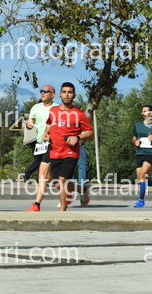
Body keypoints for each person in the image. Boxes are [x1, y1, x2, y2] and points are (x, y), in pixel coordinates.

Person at [40, 82, 93, 211]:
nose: (67, 94)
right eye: (64, 92)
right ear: (60, 94)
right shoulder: (53, 111)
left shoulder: (79, 113)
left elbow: (90, 132)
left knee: (63, 179)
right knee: (58, 184)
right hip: (55, 151)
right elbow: (49, 125)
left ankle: (62, 212)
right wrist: (46, 134)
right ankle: (82, 189)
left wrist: (78, 137)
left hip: (71, 152)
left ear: (74, 95)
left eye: (70, 92)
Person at [22, 85, 58, 182]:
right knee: (40, 163)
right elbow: (30, 122)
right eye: (41, 91)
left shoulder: (57, 107)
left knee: (44, 165)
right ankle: (42, 185)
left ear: (52, 95)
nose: (42, 93)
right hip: (40, 141)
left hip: (53, 142)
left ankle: (30, 176)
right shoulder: (35, 107)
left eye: (45, 91)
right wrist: (28, 124)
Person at [132, 105, 152, 208]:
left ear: (151, 113)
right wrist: (135, 142)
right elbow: (134, 137)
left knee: (142, 174)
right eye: (142, 111)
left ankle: (141, 200)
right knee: (140, 179)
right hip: (139, 153)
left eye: (144, 111)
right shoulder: (137, 125)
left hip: (151, 153)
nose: (142, 113)